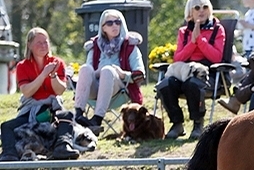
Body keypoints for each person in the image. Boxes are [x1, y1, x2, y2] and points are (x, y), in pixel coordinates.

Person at [0, 28, 79, 161]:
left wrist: (53, 74)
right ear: (29, 45)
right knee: (6, 126)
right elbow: (27, 91)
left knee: (67, 115)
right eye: (39, 43)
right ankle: (9, 153)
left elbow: (60, 90)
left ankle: (63, 146)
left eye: (45, 42)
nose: (43, 46)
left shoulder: (57, 62)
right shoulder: (22, 66)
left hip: (51, 107)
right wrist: (43, 74)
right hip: (31, 109)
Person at [158, 0, 225, 140]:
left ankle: (197, 124)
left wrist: (199, 39)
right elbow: (179, 57)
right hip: (184, 71)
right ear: (190, 12)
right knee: (165, 84)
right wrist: (193, 41)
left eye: (205, 7)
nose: (201, 11)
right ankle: (177, 123)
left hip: (208, 73)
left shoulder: (217, 29)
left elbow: (216, 57)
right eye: (197, 8)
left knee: (193, 84)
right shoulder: (184, 31)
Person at [74, 9, 145, 135]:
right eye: (110, 23)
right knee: (85, 68)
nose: (115, 26)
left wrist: (122, 73)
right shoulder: (95, 46)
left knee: (108, 70)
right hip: (95, 89)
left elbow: (140, 74)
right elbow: (89, 73)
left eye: (118, 22)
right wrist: (98, 72)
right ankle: (78, 114)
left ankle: (97, 119)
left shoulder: (130, 45)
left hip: (119, 89)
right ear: (103, 28)